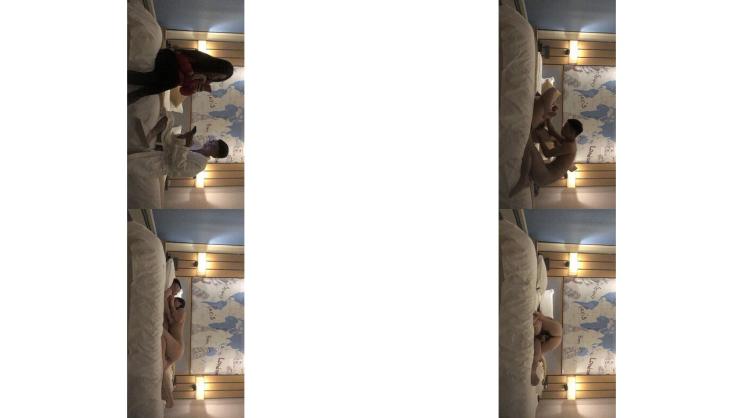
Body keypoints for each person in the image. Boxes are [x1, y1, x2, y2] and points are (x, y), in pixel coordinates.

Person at [128, 48, 234, 105]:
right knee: (172, 80)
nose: (215, 77)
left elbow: (182, 91)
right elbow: (180, 55)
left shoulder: (204, 82)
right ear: (216, 67)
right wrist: (190, 73)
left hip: (169, 78)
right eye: (217, 74)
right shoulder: (203, 60)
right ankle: (138, 93)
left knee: (165, 81)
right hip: (169, 58)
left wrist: (193, 90)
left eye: (218, 78)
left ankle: (135, 85)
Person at [134, 115, 230, 178]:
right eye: (212, 141)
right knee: (169, 117)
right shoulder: (197, 144)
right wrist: (185, 136)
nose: (210, 143)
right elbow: (176, 140)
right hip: (166, 146)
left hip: (164, 162)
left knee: (135, 162)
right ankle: (151, 135)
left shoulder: (200, 165)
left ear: (215, 155)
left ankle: (153, 142)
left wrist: (186, 146)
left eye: (213, 147)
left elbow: (178, 167)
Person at [509, 117, 583, 197]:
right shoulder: (568, 141)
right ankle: (530, 180)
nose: (562, 128)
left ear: (572, 133)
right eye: (564, 125)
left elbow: (547, 154)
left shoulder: (570, 147)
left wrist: (540, 139)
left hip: (545, 176)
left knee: (530, 146)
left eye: (565, 127)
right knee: (531, 151)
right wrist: (548, 118)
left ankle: (523, 180)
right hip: (545, 171)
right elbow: (552, 132)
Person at [161, 292, 187, 408]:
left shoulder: (182, 311)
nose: (174, 300)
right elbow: (171, 320)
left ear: (180, 303)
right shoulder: (173, 313)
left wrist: (171, 303)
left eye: (176, 300)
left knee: (160, 329)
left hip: (177, 347)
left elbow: (176, 319)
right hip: (175, 348)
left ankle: (169, 399)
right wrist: (168, 302)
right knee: (162, 370)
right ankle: (169, 399)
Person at [531, 311, 562, 386]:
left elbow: (544, 318)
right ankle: (533, 370)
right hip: (542, 326)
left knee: (538, 353)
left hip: (543, 331)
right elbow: (543, 318)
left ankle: (533, 370)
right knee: (538, 327)